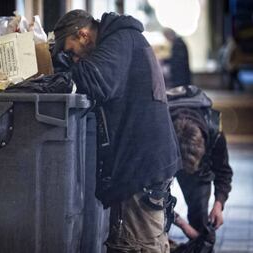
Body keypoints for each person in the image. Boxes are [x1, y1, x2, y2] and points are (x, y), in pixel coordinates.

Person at [52, 10, 181, 252]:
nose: (74, 59)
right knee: (141, 241)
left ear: (83, 35)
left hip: (141, 165)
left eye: (71, 52)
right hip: (144, 162)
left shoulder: (120, 40)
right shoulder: (123, 39)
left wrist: (61, 66)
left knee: (137, 245)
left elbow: (96, 81)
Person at [167, 85, 233, 245]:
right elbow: (147, 193)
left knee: (203, 231)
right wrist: (179, 222)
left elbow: (223, 171)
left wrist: (219, 204)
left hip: (199, 170)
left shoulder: (214, 131)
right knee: (152, 217)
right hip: (168, 158)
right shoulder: (160, 132)